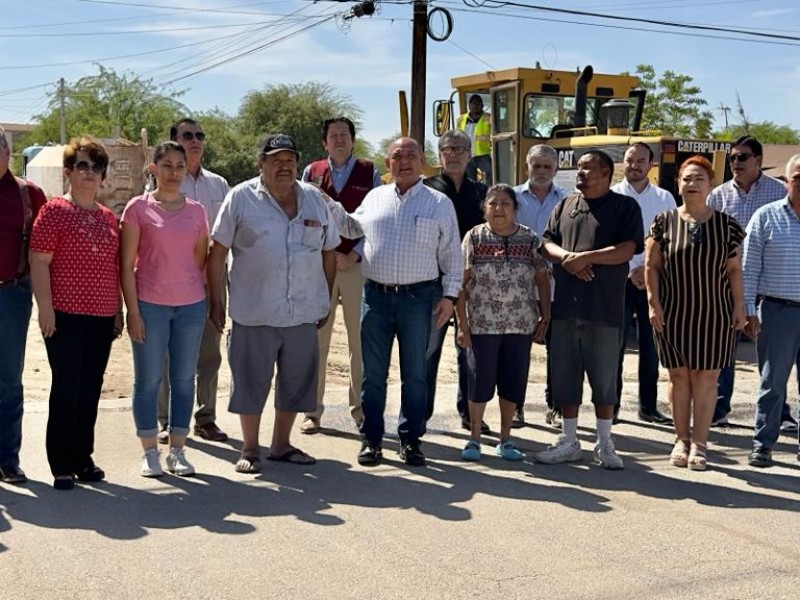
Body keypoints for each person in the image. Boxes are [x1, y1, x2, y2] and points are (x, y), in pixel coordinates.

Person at [326, 137, 462, 467]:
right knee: (373, 375)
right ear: (388, 164)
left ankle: (411, 440)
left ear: (423, 161)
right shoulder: (375, 198)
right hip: (375, 297)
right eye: (397, 156)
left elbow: (452, 255)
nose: (404, 161)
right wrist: (323, 201)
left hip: (421, 300)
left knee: (415, 374)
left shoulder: (439, 203)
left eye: (411, 155)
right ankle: (372, 439)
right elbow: (350, 225)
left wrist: (450, 297)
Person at [207, 134, 339, 473]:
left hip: (302, 312)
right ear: (261, 164)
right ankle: (250, 449)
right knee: (250, 382)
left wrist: (323, 299)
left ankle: (281, 445)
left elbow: (329, 252)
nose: (285, 166)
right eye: (276, 160)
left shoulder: (313, 199)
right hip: (255, 311)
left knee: (296, 381)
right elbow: (218, 251)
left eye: (290, 160)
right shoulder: (240, 198)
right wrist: (216, 300)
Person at [533, 150, 643, 470]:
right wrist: (568, 257)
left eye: (588, 169)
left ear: (607, 174)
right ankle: (569, 440)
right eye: (579, 168)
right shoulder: (566, 204)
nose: (581, 173)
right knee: (566, 376)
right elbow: (546, 243)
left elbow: (628, 248)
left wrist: (588, 257)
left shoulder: (624, 206)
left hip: (605, 308)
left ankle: (604, 443)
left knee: (604, 379)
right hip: (566, 306)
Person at [29, 138, 122, 490]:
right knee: (67, 386)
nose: (89, 173)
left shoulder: (109, 217)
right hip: (64, 315)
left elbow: (114, 268)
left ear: (103, 177)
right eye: (82, 166)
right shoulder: (54, 211)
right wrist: (45, 309)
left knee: (90, 387)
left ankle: (83, 457)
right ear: (69, 172)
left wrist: (118, 310)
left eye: (96, 167)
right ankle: (61, 463)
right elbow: (39, 260)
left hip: (101, 316)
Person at [646, 156, 746, 471]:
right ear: (677, 184)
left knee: (706, 378)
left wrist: (740, 306)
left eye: (699, 179)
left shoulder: (727, 225)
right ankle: (681, 439)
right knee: (678, 375)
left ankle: (700, 444)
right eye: (687, 179)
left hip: (715, 314)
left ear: (710, 184)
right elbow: (652, 266)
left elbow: (733, 270)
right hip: (673, 312)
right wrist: (653, 302)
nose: (692, 184)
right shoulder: (663, 222)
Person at [121, 142, 209, 478]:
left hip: (190, 307)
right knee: (148, 380)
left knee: (184, 380)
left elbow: (198, 260)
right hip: (150, 305)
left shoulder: (198, 211)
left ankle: (178, 450)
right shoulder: (137, 209)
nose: (174, 173)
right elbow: (127, 265)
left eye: (180, 166)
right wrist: (133, 311)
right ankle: (149, 452)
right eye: (167, 165)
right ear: (153, 168)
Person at [455, 184, 550, 462]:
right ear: (484, 208)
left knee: (512, 383)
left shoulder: (529, 238)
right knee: (478, 382)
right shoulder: (474, 237)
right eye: (493, 203)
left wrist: (546, 315)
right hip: (483, 325)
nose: (499, 209)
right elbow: (460, 284)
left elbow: (542, 278)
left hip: (520, 325)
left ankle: (506, 439)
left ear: (515, 209)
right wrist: (462, 324)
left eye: (505, 203)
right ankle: (474, 438)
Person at [298, 117, 381, 434]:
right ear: (324, 142)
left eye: (344, 135)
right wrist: (325, 254)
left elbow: (374, 219)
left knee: (360, 342)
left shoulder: (369, 171)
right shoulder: (311, 172)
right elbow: (305, 215)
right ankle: (311, 411)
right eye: (333, 135)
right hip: (320, 266)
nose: (339, 139)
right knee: (316, 339)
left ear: (353, 139)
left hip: (356, 265)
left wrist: (354, 253)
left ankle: (360, 410)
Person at [155, 118, 231, 444]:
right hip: (173, 279)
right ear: (174, 141)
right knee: (168, 354)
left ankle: (206, 417)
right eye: (188, 135)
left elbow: (230, 231)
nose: (195, 140)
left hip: (212, 277)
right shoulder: (164, 181)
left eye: (200, 135)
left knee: (209, 352)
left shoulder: (219, 185)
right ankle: (166, 420)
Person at [706, 136, 789, 428]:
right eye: (732, 158)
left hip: (766, 286)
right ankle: (718, 408)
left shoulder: (779, 192)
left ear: (758, 159)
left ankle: (781, 412)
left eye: (742, 157)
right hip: (724, 284)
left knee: (769, 354)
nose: (736, 163)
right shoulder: (717, 196)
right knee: (723, 348)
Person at [422, 129, 486, 432]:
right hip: (435, 282)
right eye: (449, 148)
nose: (455, 153)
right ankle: (420, 413)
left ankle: (470, 414)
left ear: (470, 154)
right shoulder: (426, 190)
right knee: (427, 351)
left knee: (470, 350)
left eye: (461, 148)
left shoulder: (483, 193)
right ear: (440, 155)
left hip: (473, 283)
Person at [612, 143, 676, 424]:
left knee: (651, 349)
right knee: (615, 347)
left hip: (654, 282)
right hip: (617, 280)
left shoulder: (665, 199)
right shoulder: (610, 195)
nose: (634, 165)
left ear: (651, 164)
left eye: (641, 160)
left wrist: (646, 271)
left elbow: (671, 242)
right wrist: (630, 270)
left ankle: (648, 407)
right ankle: (610, 407)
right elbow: (605, 240)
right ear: (622, 162)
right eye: (629, 160)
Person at [742, 154, 800, 467]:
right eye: (798, 177)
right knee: (773, 383)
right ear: (787, 181)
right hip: (779, 312)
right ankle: (763, 444)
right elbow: (749, 268)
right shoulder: (766, 217)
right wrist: (749, 310)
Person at [0, 126, 46, 485]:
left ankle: (7, 459)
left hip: (13, 295)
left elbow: (46, 250)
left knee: (9, 382)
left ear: (8, 153)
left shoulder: (29, 194)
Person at [513, 144, 568, 428]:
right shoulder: (511, 198)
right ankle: (515, 406)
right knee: (517, 351)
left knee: (558, 352)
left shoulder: (569, 200)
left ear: (556, 169)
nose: (542, 171)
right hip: (518, 289)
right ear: (527, 167)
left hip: (557, 288)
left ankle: (556, 407)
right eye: (537, 166)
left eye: (548, 166)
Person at [457, 94, 492, 185]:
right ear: (469, 105)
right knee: (469, 179)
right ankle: (473, 197)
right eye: (473, 103)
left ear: (482, 105)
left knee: (491, 173)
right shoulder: (461, 119)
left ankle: (488, 194)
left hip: (483, 154)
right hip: (467, 154)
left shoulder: (489, 118)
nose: (475, 106)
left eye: (478, 103)